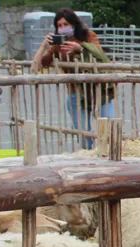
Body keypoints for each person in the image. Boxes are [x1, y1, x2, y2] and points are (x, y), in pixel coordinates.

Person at [32, 8, 112, 150]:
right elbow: (36, 66)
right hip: (76, 92)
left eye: (66, 24)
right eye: (59, 25)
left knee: (109, 130)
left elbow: (100, 56)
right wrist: (44, 46)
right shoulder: (58, 44)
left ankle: (109, 158)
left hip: (98, 90)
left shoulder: (88, 35)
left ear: (74, 24)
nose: (63, 28)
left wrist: (80, 48)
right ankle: (87, 160)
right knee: (84, 135)